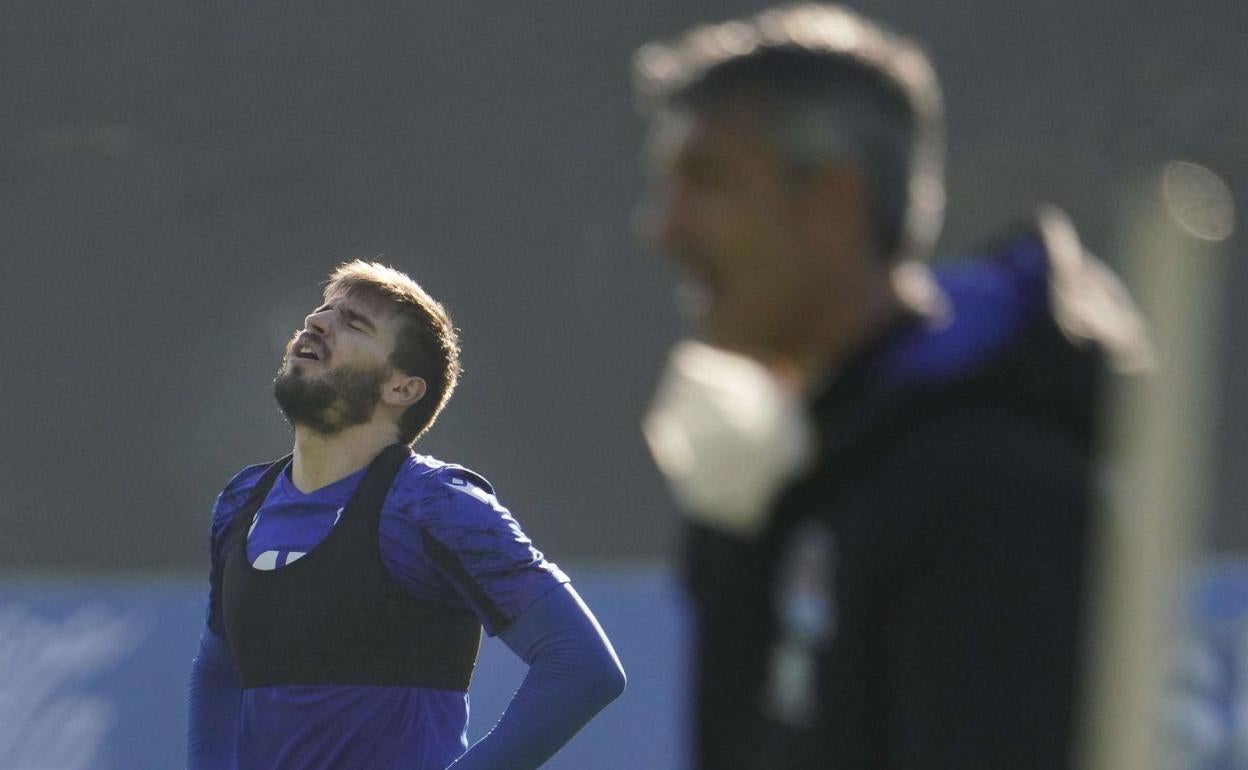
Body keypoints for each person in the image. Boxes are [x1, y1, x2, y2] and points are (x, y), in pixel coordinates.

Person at [634, 4, 1151, 769]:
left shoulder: (991, 489)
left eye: (708, 181)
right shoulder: (800, 470)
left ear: (832, 202)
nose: (664, 229)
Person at [186, 260, 625, 770]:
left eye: (353, 323)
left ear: (402, 388)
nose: (316, 323)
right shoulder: (242, 501)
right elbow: (219, 670)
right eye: (321, 310)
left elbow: (582, 667)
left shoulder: (439, 506)